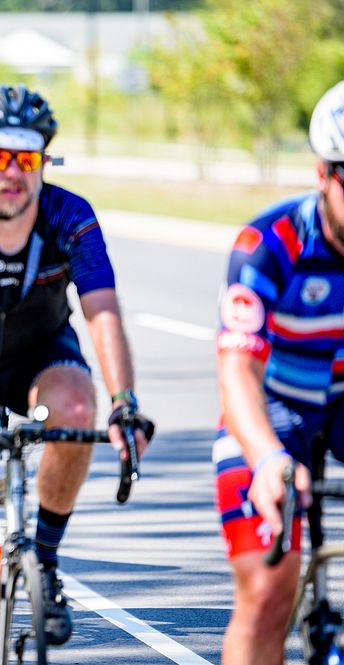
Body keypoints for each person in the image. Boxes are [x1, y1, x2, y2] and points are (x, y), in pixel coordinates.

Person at [0, 84, 154, 665]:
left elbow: (103, 313)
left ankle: (43, 555)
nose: (12, 173)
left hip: (38, 355)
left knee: (78, 407)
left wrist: (125, 401)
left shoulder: (72, 217)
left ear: (43, 161)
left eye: (27, 158)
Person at [215, 80, 344, 665]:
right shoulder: (269, 242)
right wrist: (267, 458)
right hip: (274, 407)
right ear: (323, 174)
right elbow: (237, 368)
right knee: (268, 592)